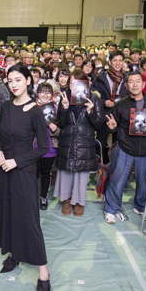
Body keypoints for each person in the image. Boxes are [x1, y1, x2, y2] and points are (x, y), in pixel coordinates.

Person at [0, 65, 52, 291]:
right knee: (8, 213)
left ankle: (44, 273)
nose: (14, 84)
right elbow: (0, 136)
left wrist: (16, 161)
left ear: (29, 80)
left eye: (18, 79)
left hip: (23, 170)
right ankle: (14, 254)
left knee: (28, 219)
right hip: (3, 169)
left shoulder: (36, 112)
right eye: (10, 80)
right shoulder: (6, 107)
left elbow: (44, 147)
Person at [104, 72, 146, 222]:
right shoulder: (121, 105)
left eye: (138, 81)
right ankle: (111, 208)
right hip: (126, 148)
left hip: (145, 149)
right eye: (131, 82)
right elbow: (113, 126)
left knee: (143, 181)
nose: (135, 84)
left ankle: (140, 206)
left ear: (144, 85)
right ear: (126, 86)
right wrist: (112, 127)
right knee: (118, 179)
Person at [54, 70, 104, 217]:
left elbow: (99, 125)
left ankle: (80, 202)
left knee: (82, 176)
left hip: (84, 143)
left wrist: (90, 112)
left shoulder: (94, 99)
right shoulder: (65, 97)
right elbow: (61, 123)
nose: (73, 85)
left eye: (77, 82)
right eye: (71, 82)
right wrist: (63, 108)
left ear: (85, 83)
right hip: (67, 141)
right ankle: (67, 200)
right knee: (66, 172)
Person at [35, 83, 60, 211]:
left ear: (52, 95)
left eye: (48, 92)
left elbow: (61, 131)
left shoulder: (55, 109)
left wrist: (55, 129)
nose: (45, 95)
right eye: (42, 92)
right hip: (34, 148)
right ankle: (32, 197)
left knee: (46, 174)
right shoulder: (32, 108)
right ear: (37, 94)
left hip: (50, 148)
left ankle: (43, 196)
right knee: (33, 174)